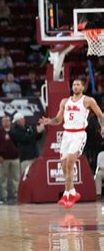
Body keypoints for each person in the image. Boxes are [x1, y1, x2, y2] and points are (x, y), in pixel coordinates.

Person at [39, 78, 104, 208]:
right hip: (66, 134)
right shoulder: (65, 101)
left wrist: (102, 126)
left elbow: (100, 115)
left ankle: (68, 193)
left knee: (70, 162)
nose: (75, 87)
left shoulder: (88, 100)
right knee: (63, 165)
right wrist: (49, 121)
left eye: (78, 85)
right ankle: (71, 192)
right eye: (74, 84)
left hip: (79, 134)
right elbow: (58, 120)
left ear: (82, 87)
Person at [0, 116, 20, 201]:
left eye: (8, 121)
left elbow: (19, 143)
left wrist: (18, 153)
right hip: (3, 159)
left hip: (15, 158)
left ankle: (16, 195)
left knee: (16, 178)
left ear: (10, 122)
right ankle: (4, 196)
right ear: (2, 123)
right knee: (3, 179)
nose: (6, 122)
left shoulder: (14, 131)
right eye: (4, 121)